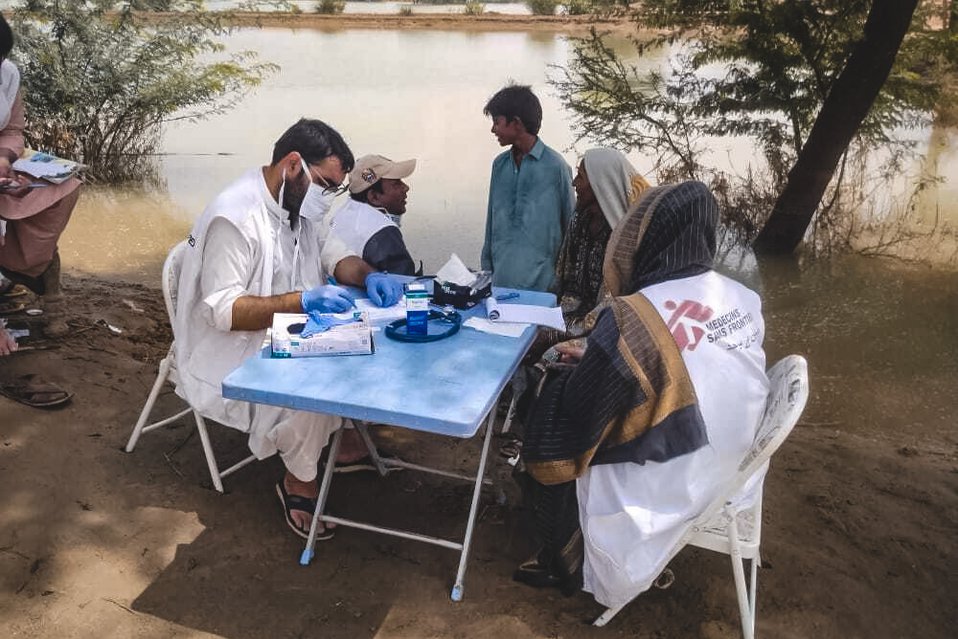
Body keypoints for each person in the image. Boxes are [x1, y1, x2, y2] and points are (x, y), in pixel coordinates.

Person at [513, 181, 770, 608]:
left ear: (649, 238)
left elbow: (578, 413)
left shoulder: (632, 315)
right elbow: (694, 364)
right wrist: (601, 364)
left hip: (661, 497)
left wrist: (561, 375)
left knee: (548, 410)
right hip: (734, 474)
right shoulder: (742, 296)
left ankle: (564, 556)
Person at [173, 118, 407, 540]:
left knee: (368, 344)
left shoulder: (295, 205)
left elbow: (335, 256)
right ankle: (298, 481)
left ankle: (342, 441)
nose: (329, 196)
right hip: (228, 346)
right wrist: (302, 301)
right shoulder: (236, 216)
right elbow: (224, 312)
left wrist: (369, 275)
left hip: (287, 328)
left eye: (337, 188)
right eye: (326, 183)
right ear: (293, 164)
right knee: (318, 380)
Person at [0, 14, 81, 299]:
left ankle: (29, 267)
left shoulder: (7, 74)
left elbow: (12, 127)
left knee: (61, 187)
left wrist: (4, 159)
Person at [480, 84, 574, 292]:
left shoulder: (556, 167)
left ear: (517, 123)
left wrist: (563, 283)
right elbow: (491, 220)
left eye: (497, 122)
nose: (493, 129)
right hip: (500, 284)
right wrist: (486, 268)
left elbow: (570, 228)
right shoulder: (500, 165)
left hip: (542, 287)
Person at [554, 147, 649, 332]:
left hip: (610, 332)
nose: (574, 183)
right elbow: (567, 281)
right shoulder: (579, 220)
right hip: (570, 319)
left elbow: (612, 309)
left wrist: (555, 337)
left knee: (547, 356)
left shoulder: (625, 240)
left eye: (580, 177)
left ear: (601, 184)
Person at [328, 154, 420, 276]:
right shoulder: (383, 231)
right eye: (396, 183)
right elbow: (403, 284)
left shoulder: (342, 214)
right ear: (374, 197)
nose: (405, 188)